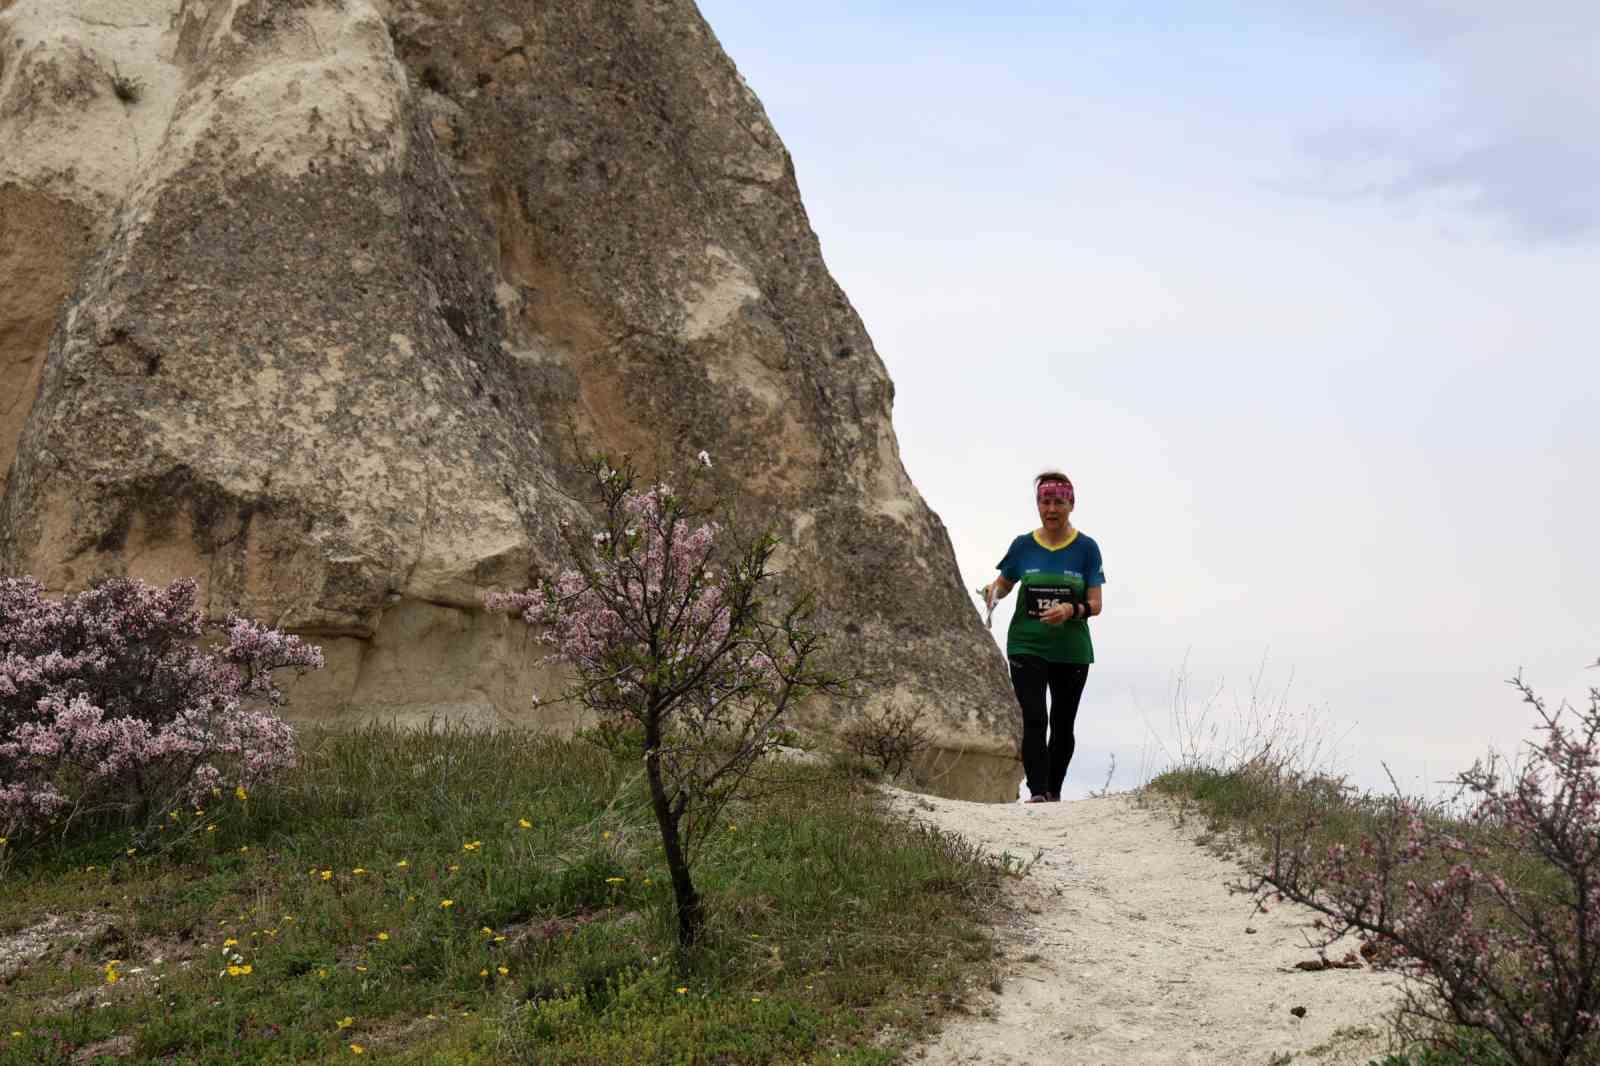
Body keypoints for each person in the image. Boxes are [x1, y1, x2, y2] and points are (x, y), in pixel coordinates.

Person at [980, 471, 1105, 803]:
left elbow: (1096, 604)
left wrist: (1069, 610)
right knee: (1034, 717)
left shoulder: (1086, 549)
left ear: (1071, 504)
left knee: (1062, 724)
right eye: (1045, 502)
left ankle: (1053, 791)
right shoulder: (1023, 546)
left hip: (1071, 650)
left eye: (1058, 502)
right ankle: (1037, 792)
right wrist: (991, 593)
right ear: (1038, 505)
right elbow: (1004, 584)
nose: (1051, 509)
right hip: (1026, 644)